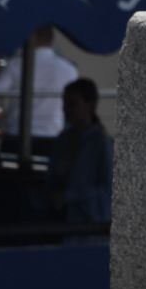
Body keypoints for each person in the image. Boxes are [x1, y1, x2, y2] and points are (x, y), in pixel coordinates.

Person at [0, 25, 80, 156]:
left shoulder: (16, 64)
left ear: (31, 38)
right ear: (51, 40)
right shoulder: (69, 69)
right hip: (52, 134)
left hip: (17, 133)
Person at [44, 78, 113, 223]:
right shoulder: (63, 139)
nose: (65, 109)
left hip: (87, 224)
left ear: (90, 106)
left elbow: (108, 190)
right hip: (62, 219)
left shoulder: (100, 142)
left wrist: (69, 196)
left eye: (72, 104)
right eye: (65, 103)